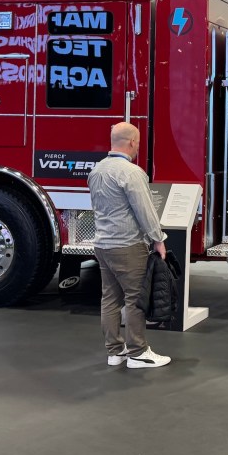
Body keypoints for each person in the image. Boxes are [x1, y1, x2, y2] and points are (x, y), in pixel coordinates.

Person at [87, 122, 171, 368]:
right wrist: (158, 238)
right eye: (138, 143)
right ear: (133, 142)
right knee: (135, 298)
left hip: (103, 245)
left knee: (110, 298)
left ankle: (115, 352)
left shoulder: (97, 171)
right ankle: (138, 352)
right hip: (127, 245)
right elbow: (145, 210)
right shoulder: (132, 173)